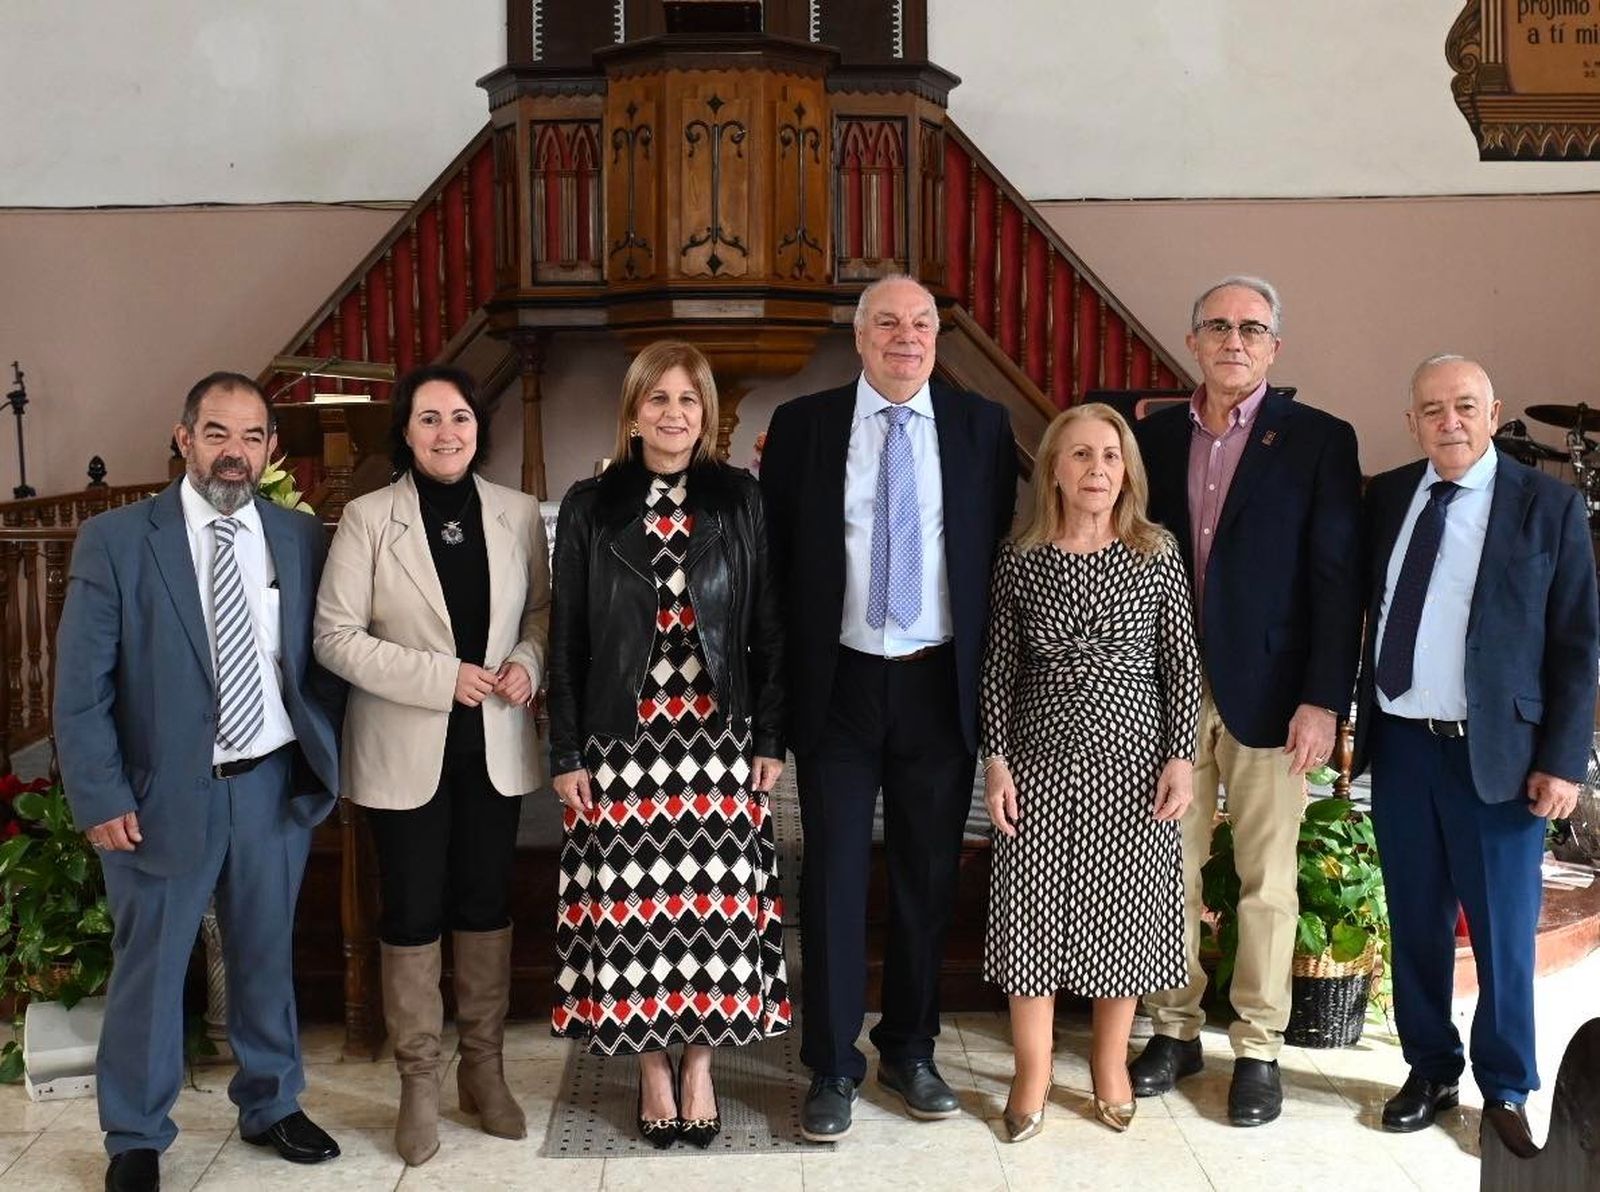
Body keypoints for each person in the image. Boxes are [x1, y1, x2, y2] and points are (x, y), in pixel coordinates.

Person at [54, 373, 343, 1192]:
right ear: (184, 438)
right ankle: (135, 1137)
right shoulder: (117, 540)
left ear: (272, 450)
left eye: (252, 438)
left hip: (269, 788)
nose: (234, 453)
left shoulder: (299, 537)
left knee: (264, 956)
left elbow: (321, 660)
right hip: (158, 796)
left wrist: (322, 752)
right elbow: (80, 688)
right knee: (150, 965)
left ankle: (272, 1102)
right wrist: (102, 794)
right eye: (217, 433)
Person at [760, 274, 1019, 1141]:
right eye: (887, 323)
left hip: (935, 682)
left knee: (926, 879)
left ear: (937, 337)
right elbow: (779, 571)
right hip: (836, 683)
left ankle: (911, 1046)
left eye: (921, 323)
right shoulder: (805, 427)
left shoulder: (983, 427)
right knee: (829, 876)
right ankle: (832, 1062)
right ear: (859, 337)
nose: (906, 337)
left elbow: (990, 563)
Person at [1129, 276, 1362, 1127]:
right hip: (1165, 695)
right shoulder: (1148, 439)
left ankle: (1258, 1046)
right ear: (1193, 340)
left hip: (1272, 697)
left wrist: (1322, 698)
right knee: (1165, 869)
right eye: (1219, 326)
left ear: (1274, 348)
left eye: (1252, 328)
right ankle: (1175, 1027)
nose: (1235, 339)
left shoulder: (1317, 440)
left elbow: (1337, 582)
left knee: (1268, 878)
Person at [1352, 355, 1598, 1155]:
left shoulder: (1546, 506)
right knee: (1416, 924)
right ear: (1412, 422)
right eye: (1432, 409)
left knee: (1501, 932)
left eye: (1465, 406)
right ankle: (1429, 1068)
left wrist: (1565, 761)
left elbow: (1576, 643)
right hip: (1402, 749)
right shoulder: (1388, 497)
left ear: (1492, 414)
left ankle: (1506, 1089)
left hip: (1499, 758)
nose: (1449, 421)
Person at [547, 340, 789, 1149]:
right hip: (625, 741)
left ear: (707, 413)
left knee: (712, 913)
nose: (674, 415)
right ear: (633, 410)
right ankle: (651, 1067)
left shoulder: (739, 500)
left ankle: (701, 1066)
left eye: (688, 400)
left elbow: (767, 629)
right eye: (658, 400)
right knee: (635, 915)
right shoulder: (590, 505)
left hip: (718, 739)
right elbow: (570, 642)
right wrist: (567, 751)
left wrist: (769, 736)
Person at [313, 363, 550, 1166]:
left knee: (485, 904)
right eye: (428, 419)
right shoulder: (369, 517)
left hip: (495, 744)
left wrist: (528, 660)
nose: (447, 432)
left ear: (478, 428)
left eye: (459, 417)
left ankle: (483, 1073)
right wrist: (442, 679)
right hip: (403, 746)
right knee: (412, 912)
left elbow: (546, 612)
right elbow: (335, 636)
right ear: (405, 433)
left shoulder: (518, 514)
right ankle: (418, 1082)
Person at [981, 403, 1201, 1142]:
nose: (1097, 470)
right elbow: (999, 667)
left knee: (1127, 923)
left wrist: (1182, 757)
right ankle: (1032, 1072)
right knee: (1031, 920)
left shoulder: (1155, 550)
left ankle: (1111, 1066)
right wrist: (998, 760)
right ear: (1053, 469)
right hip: (1039, 764)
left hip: (1135, 765)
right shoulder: (1021, 557)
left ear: (1128, 470)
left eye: (1110, 456)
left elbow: (1181, 666)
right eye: (1080, 456)